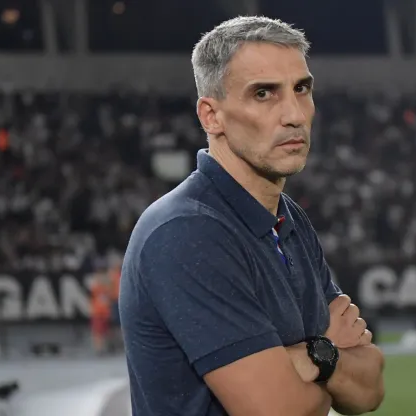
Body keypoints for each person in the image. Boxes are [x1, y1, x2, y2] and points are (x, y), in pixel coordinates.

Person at [120, 16, 385, 416]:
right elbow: (280, 411)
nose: (294, 114)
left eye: (302, 89)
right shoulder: (186, 231)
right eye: (264, 94)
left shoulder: (287, 218)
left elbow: (370, 389)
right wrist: (330, 353)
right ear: (212, 116)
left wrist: (313, 354)